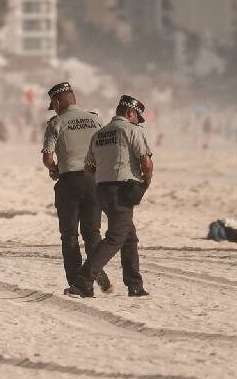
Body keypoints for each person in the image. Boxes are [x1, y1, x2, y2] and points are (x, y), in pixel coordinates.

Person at [67, 94, 153, 298]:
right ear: (131, 113)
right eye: (136, 117)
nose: (136, 121)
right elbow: (146, 163)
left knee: (129, 235)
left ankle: (135, 285)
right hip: (123, 190)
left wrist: (105, 173)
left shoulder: (99, 134)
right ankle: (82, 281)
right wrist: (145, 182)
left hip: (102, 190)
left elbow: (88, 168)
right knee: (115, 238)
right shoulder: (131, 130)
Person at [41, 83, 111, 292]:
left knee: (70, 235)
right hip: (95, 182)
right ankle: (95, 270)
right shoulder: (96, 119)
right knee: (92, 233)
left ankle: (77, 284)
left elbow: (47, 157)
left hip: (70, 182)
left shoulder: (56, 122)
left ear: (56, 102)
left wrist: (54, 169)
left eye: (53, 105)